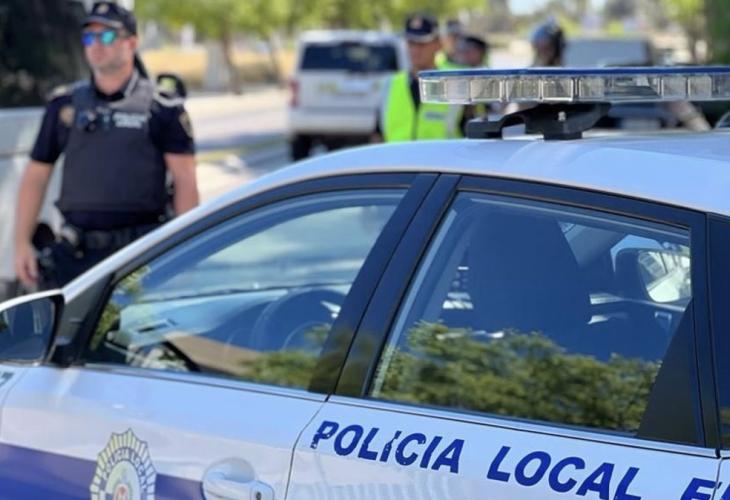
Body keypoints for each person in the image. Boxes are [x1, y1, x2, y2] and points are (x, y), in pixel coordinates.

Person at [14, 1, 199, 290]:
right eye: (89, 37)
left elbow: (185, 181)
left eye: (107, 35)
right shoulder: (63, 106)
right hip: (76, 259)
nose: (96, 45)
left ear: (132, 43)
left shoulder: (162, 108)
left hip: (141, 255)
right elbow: (36, 175)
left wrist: (185, 251)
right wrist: (21, 242)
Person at [374, 14, 466, 143]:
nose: (415, 50)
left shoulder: (456, 84)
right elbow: (378, 135)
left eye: (422, 44)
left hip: (442, 156)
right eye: (411, 43)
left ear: (438, 44)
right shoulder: (391, 84)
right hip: (397, 157)